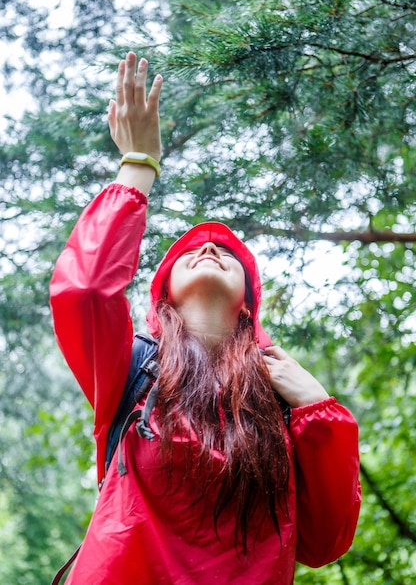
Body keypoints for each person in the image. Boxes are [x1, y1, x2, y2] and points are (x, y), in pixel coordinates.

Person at [50, 52, 361, 585]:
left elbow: (324, 541)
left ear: (247, 303)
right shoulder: (131, 369)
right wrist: (139, 162)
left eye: (227, 251)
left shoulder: (282, 404)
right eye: (189, 252)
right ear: (163, 298)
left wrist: (318, 410)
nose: (211, 247)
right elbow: (83, 291)